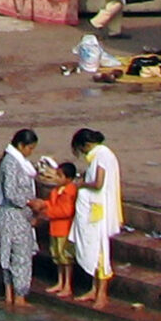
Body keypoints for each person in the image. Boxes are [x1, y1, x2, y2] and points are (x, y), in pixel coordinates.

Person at [67, 128, 121, 307]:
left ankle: (102, 294)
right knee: (93, 249)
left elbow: (98, 183)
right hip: (94, 209)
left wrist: (81, 183)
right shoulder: (100, 155)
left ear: (86, 145)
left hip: (99, 211)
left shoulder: (102, 155)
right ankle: (93, 289)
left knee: (101, 252)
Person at [0, 127, 42, 308]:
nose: (31, 152)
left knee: (12, 257)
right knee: (19, 257)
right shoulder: (10, 163)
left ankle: (11, 297)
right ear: (21, 145)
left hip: (16, 216)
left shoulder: (17, 163)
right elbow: (11, 193)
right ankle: (18, 298)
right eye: (30, 148)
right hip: (14, 217)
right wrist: (31, 202)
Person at [41, 161, 80, 292]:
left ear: (68, 179)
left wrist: (47, 212)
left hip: (64, 229)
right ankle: (60, 281)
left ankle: (67, 284)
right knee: (57, 256)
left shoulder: (70, 192)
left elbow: (67, 211)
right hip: (55, 228)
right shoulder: (56, 191)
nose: (56, 178)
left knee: (65, 258)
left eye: (59, 176)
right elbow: (52, 204)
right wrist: (44, 205)